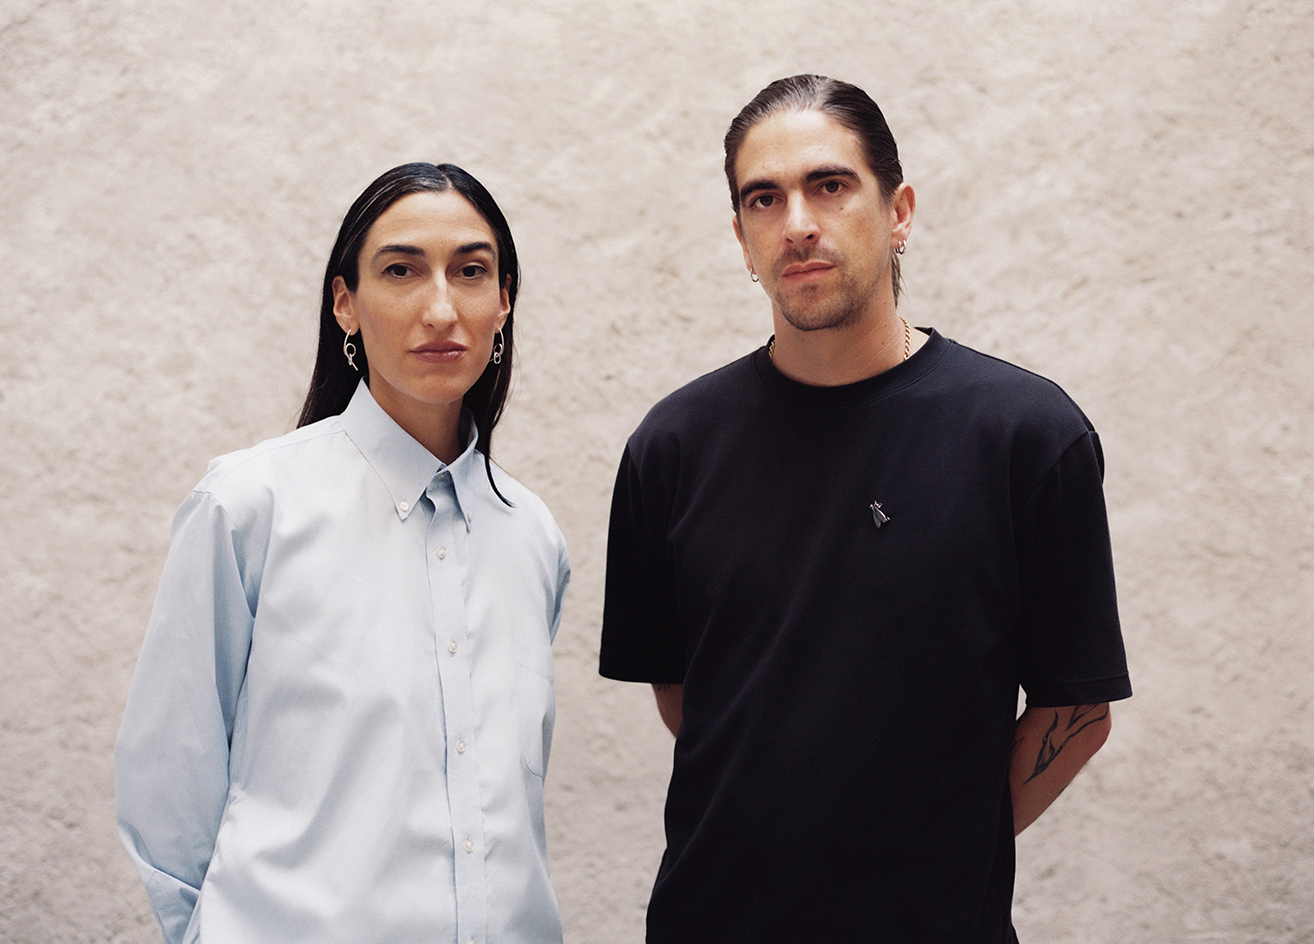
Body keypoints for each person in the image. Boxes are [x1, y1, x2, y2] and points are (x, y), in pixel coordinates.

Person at [599, 75, 1132, 942]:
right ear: (741, 238)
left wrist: (927, 857)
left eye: (830, 185)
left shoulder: (1026, 436)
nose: (797, 222)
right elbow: (684, 690)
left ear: (898, 213)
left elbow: (1075, 710)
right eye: (763, 200)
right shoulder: (671, 446)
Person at [116, 163, 569, 944]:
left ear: (503, 302)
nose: (439, 306)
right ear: (344, 304)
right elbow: (169, 786)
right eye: (400, 270)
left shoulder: (532, 535)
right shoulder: (248, 506)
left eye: (470, 271)